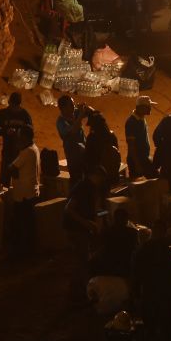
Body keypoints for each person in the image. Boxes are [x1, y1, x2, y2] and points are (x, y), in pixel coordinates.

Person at [64, 165, 108, 300]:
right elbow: (68, 209)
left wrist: (106, 215)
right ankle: (80, 293)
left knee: (82, 259)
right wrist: (86, 223)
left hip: (82, 228)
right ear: (95, 175)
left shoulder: (92, 188)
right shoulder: (83, 188)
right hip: (75, 229)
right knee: (82, 260)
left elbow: (97, 209)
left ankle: (79, 291)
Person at [7, 125, 40, 259]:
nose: (18, 139)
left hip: (23, 195)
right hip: (31, 192)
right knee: (28, 224)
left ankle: (22, 254)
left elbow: (11, 167)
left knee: (21, 225)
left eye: (20, 136)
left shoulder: (27, 152)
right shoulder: (34, 148)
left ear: (25, 137)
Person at [0, 92, 33, 187]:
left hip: (20, 152)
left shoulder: (25, 115)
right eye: (12, 106)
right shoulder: (2, 114)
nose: (14, 109)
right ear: (9, 102)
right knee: (4, 177)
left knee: (17, 179)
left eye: (16, 106)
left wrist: (19, 133)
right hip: (7, 149)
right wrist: (5, 132)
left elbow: (30, 132)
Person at [56, 96, 89, 189]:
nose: (73, 106)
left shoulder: (75, 112)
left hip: (84, 152)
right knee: (77, 181)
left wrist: (85, 107)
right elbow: (73, 131)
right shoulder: (60, 122)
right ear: (63, 108)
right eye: (71, 105)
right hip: (73, 156)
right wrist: (81, 114)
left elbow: (93, 112)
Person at [84, 112, 121, 187]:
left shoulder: (91, 137)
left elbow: (88, 158)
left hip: (98, 177)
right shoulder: (112, 135)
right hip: (113, 174)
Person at [124, 96, 155, 179]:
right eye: (148, 107)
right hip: (137, 160)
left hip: (143, 158)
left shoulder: (141, 118)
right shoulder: (132, 123)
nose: (150, 109)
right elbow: (131, 147)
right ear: (141, 107)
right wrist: (137, 165)